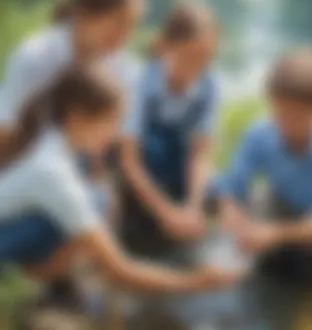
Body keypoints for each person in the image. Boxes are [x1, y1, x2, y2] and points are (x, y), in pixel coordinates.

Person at [0, 64, 241, 294]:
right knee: (94, 204)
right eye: (112, 122)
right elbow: (120, 271)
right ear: (77, 117)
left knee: (96, 200)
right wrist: (196, 281)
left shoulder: (49, 137)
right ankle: (41, 274)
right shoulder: (52, 172)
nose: (117, 135)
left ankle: (40, 272)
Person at [0, 0, 145, 305]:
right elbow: (6, 134)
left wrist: (104, 190)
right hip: (22, 162)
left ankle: (57, 275)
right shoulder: (35, 56)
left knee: (98, 201)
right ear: (84, 16)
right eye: (118, 25)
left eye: (132, 27)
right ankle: (28, 267)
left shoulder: (122, 67)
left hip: (66, 161)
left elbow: (103, 143)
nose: (124, 37)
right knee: (63, 208)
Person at [215, 49, 312, 289]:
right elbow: (232, 185)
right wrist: (230, 211)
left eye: (297, 116)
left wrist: (275, 234)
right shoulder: (260, 132)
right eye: (280, 113)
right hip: (283, 203)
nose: (285, 124)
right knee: (255, 208)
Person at [121, 3, 220, 257]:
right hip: (141, 165)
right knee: (153, 149)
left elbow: (201, 154)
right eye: (190, 57)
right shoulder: (140, 81)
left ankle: (180, 209)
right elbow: (128, 159)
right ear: (167, 47)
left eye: (206, 57)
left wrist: (193, 207)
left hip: (178, 163)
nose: (198, 67)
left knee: (217, 189)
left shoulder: (210, 85)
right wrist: (165, 212)